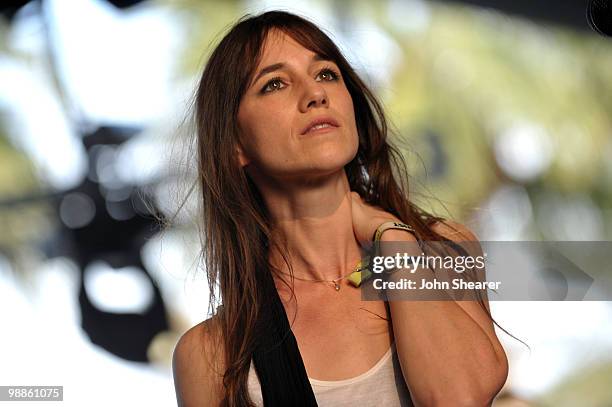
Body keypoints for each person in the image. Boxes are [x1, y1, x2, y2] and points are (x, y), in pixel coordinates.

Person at [172, 10, 508, 407]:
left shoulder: (442, 250)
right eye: (275, 83)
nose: (315, 93)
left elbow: (459, 397)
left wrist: (393, 238)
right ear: (235, 146)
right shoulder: (214, 353)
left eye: (326, 74)